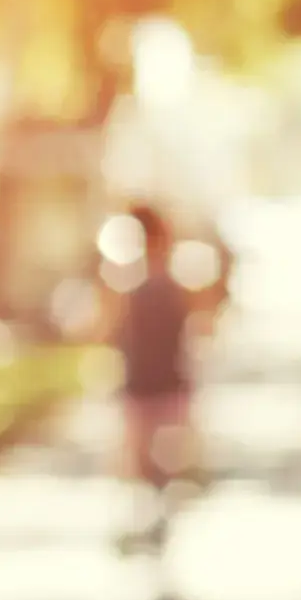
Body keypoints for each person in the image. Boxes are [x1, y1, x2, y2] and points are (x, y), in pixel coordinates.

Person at [111, 204, 199, 536]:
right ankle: (151, 512)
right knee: (148, 459)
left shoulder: (153, 278)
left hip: (161, 381)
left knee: (158, 459)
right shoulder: (127, 278)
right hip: (149, 382)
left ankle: (157, 510)